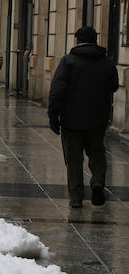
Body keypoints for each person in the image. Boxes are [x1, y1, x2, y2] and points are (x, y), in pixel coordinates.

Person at [48, 26, 119, 209]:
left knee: (73, 159)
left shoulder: (68, 62)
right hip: (97, 120)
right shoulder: (107, 63)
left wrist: (53, 114)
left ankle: (76, 198)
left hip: (72, 120)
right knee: (97, 152)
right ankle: (97, 181)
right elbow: (114, 86)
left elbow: (58, 90)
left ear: (78, 41)